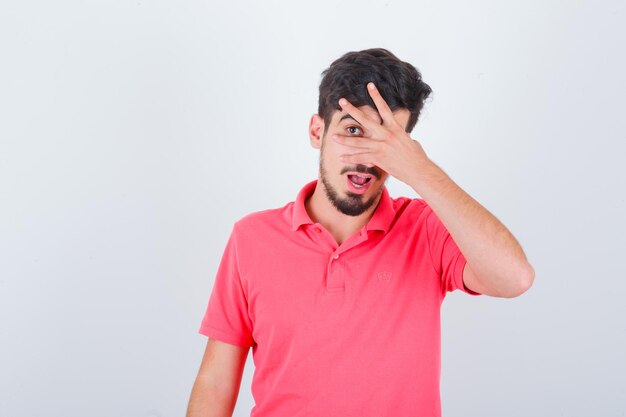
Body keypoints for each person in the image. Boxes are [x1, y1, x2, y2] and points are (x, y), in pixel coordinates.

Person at [186, 48, 535, 417]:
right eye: (353, 131)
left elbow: (515, 278)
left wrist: (420, 170)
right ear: (317, 131)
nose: (367, 159)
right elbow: (216, 382)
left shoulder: (425, 230)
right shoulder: (251, 238)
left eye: (387, 141)